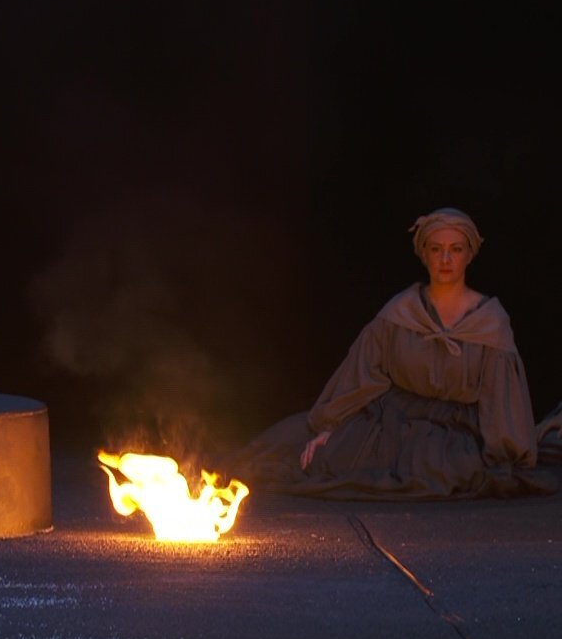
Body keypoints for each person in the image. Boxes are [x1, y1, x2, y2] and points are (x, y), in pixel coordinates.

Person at [227, 208, 549, 499]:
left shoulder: (489, 321)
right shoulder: (401, 312)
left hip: (455, 430)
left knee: (448, 471)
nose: (445, 259)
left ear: (469, 255)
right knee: (322, 458)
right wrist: (331, 425)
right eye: (436, 249)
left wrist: (506, 455)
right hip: (396, 420)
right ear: (424, 254)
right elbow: (363, 372)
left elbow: (500, 397)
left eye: (455, 250)